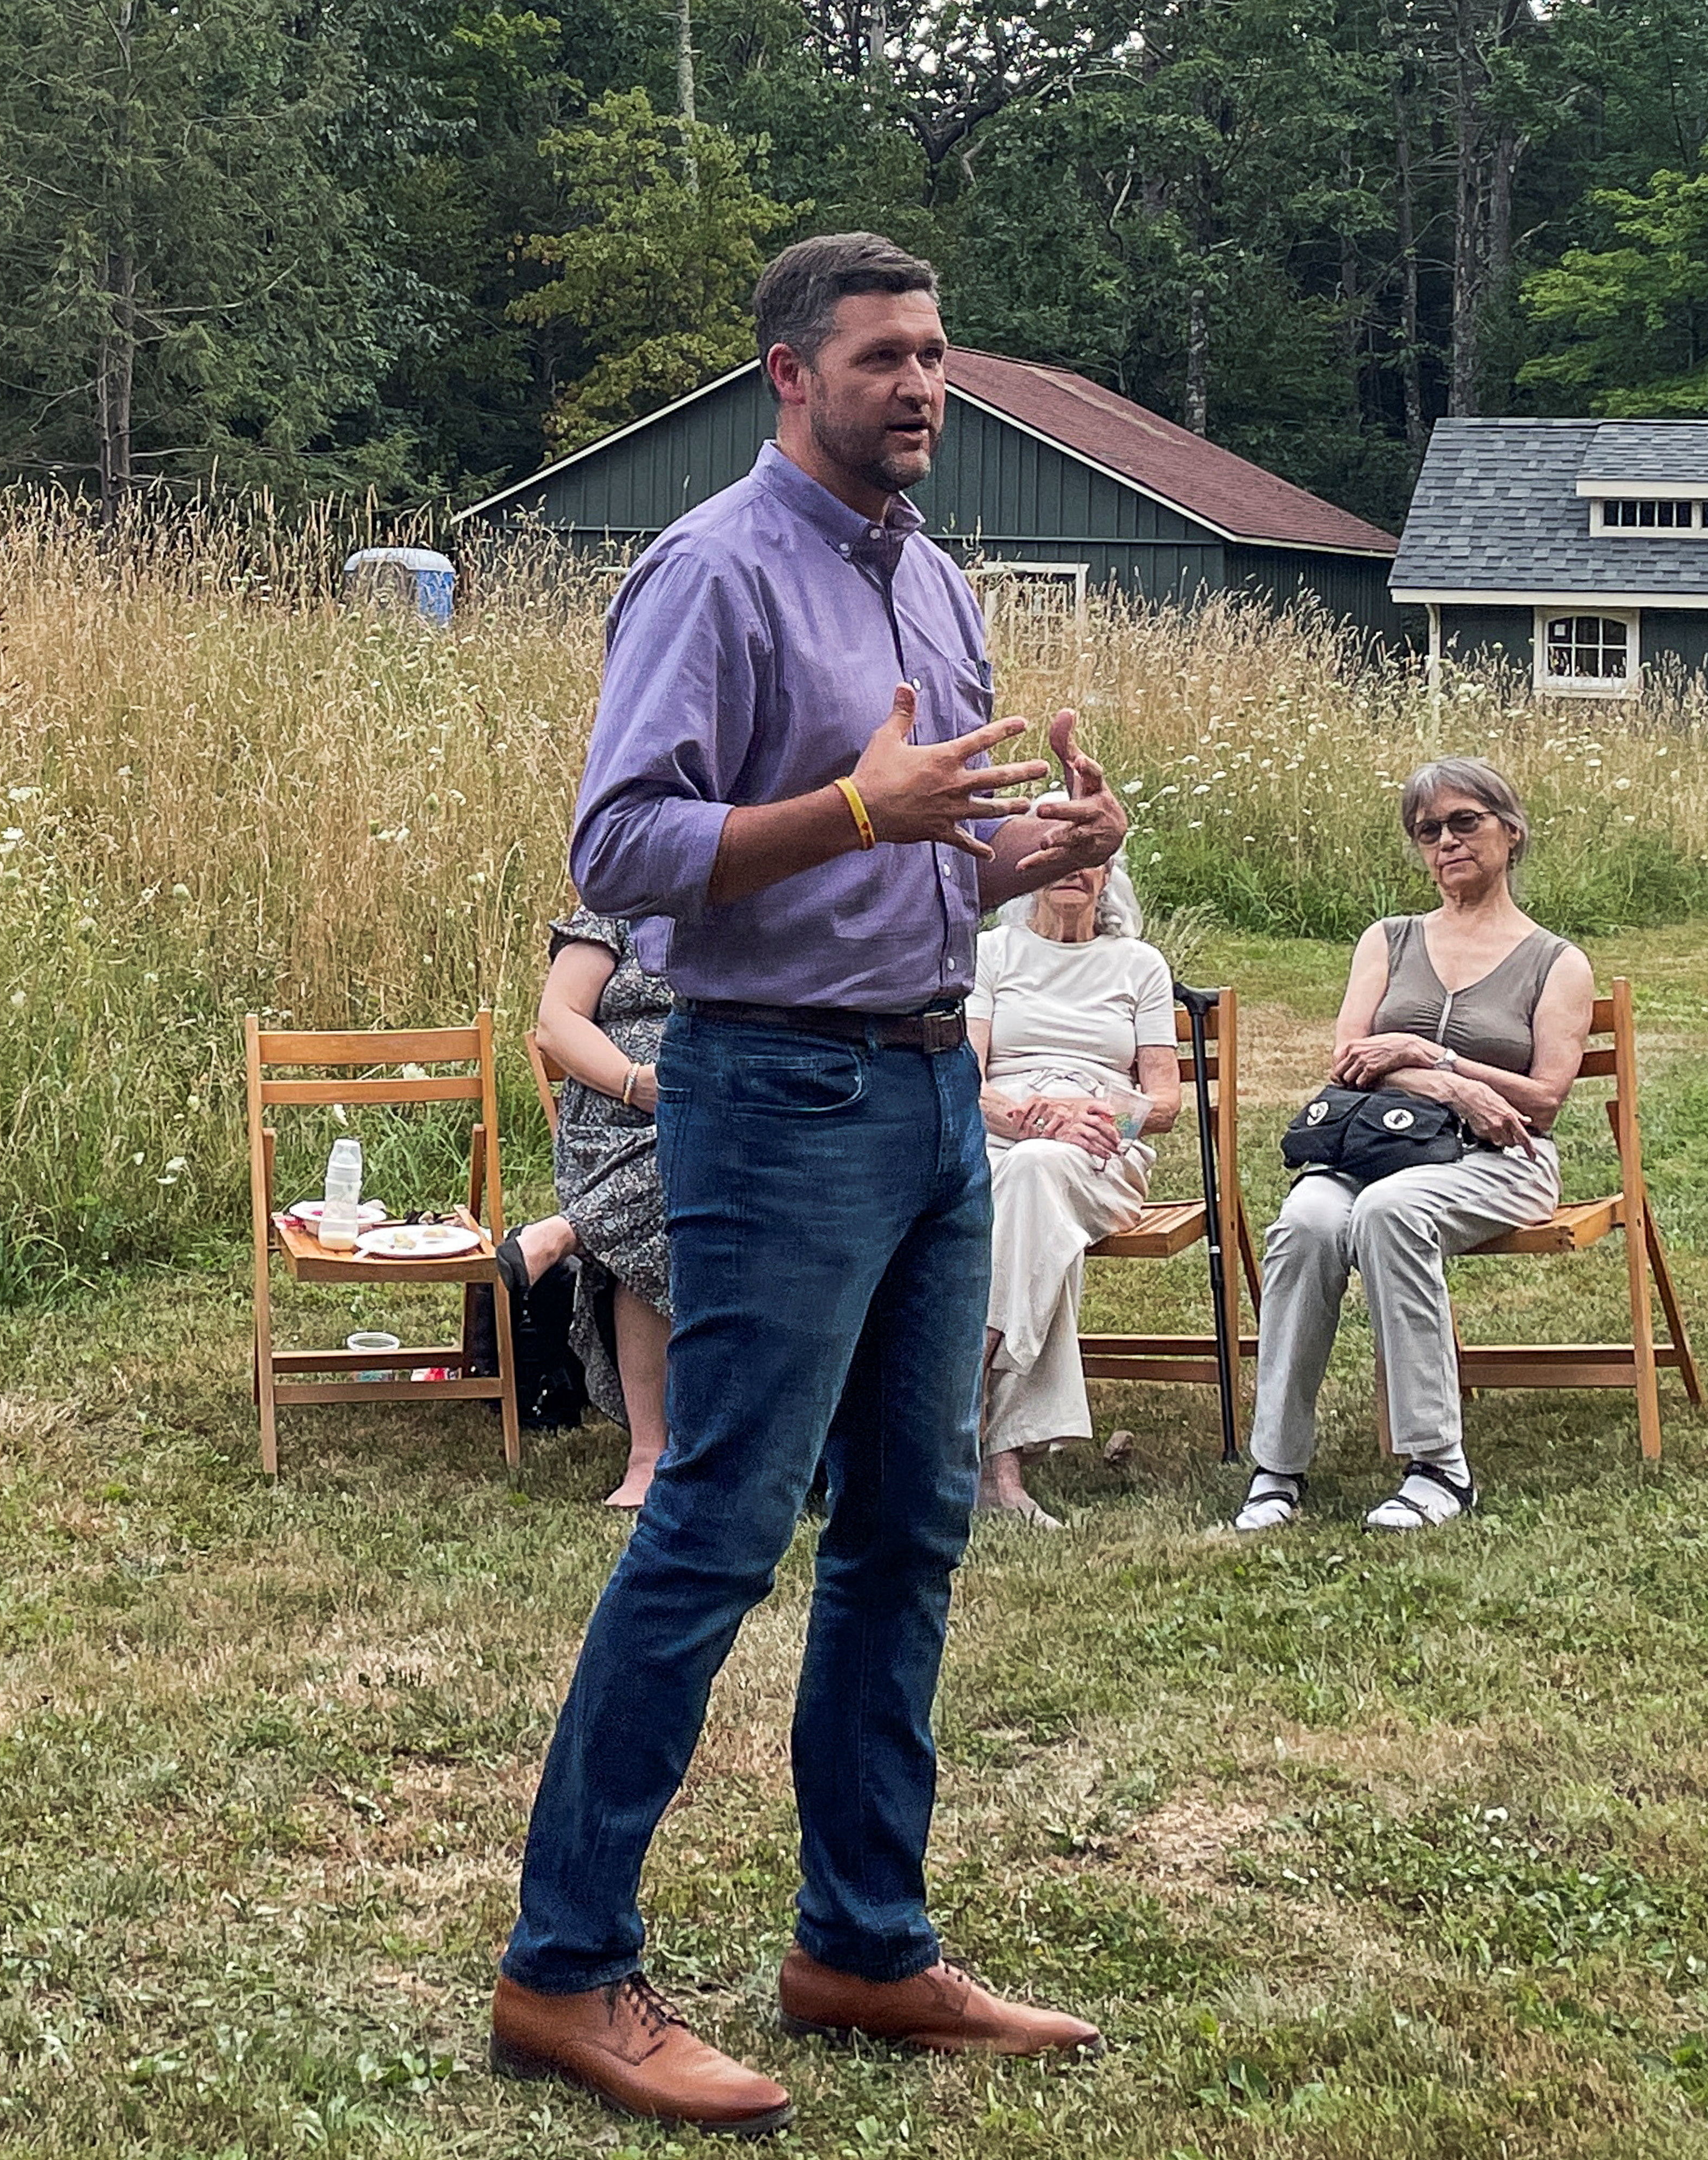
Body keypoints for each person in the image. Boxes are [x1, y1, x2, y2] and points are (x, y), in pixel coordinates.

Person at [489, 233, 1125, 2136]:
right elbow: (626, 844)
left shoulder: (934, 580)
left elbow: (914, 862)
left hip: (939, 1093)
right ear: (790, 375)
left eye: (938, 356)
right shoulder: (709, 569)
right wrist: (859, 806)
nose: (922, 387)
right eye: (882, 359)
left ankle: (862, 1940)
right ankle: (562, 1971)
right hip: (774, 1102)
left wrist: (1025, 856)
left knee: (911, 1526)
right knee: (713, 1529)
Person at [1230, 757, 1597, 1535]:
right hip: (1374, 1147)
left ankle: (1438, 1467)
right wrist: (1443, 1082)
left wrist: (1431, 1059)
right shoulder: (1388, 940)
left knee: (1393, 1213)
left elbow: (1541, 1101)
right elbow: (1350, 1061)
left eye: (1465, 823)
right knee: (1307, 1223)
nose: (1446, 843)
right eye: (1428, 832)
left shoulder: (1557, 962)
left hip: (1501, 1162)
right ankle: (1276, 1465)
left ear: (1511, 830)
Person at [971, 849, 1180, 1529]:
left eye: (1091, 859)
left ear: (1110, 874)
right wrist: (1023, 1114)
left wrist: (1095, 1116)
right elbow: (962, 1076)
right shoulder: (992, 953)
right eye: (1056, 856)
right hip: (1001, 1139)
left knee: (1036, 1178)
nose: (1074, 871)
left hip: (1100, 1149)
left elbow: (1167, 1102)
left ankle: (968, 1373)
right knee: (1035, 1212)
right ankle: (1001, 1472)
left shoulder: (1139, 964)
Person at [504, 908, 676, 1509]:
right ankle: (649, 1453)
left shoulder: (767, 899)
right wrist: (635, 1082)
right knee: (674, 1177)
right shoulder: (619, 909)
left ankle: (571, 1231)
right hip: (611, 1119)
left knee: (700, 1144)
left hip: (721, 1110)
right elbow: (555, 1022)